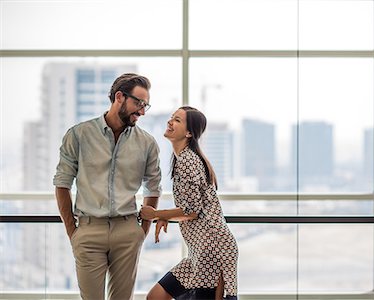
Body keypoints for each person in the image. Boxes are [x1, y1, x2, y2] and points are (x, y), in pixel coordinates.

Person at [53, 73, 163, 300]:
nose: (142, 111)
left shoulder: (147, 143)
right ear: (119, 97)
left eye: (146, 106)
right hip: (88, 232)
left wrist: (141, 231)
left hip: (128, 232)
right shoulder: (79, 135)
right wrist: (72, 231)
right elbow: (62, 183)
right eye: (139, 103)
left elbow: (153, 187)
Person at [140, 106, 238, 300]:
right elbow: (193, 207)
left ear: (189, 133)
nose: (170, 122)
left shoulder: (188, 160)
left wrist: (157, 214)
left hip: (212, 249)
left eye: (177, 120)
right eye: (171, 117)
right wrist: (168, 216)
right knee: (156, 297)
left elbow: (191, 210)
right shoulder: (183, 159)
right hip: (200, 251)